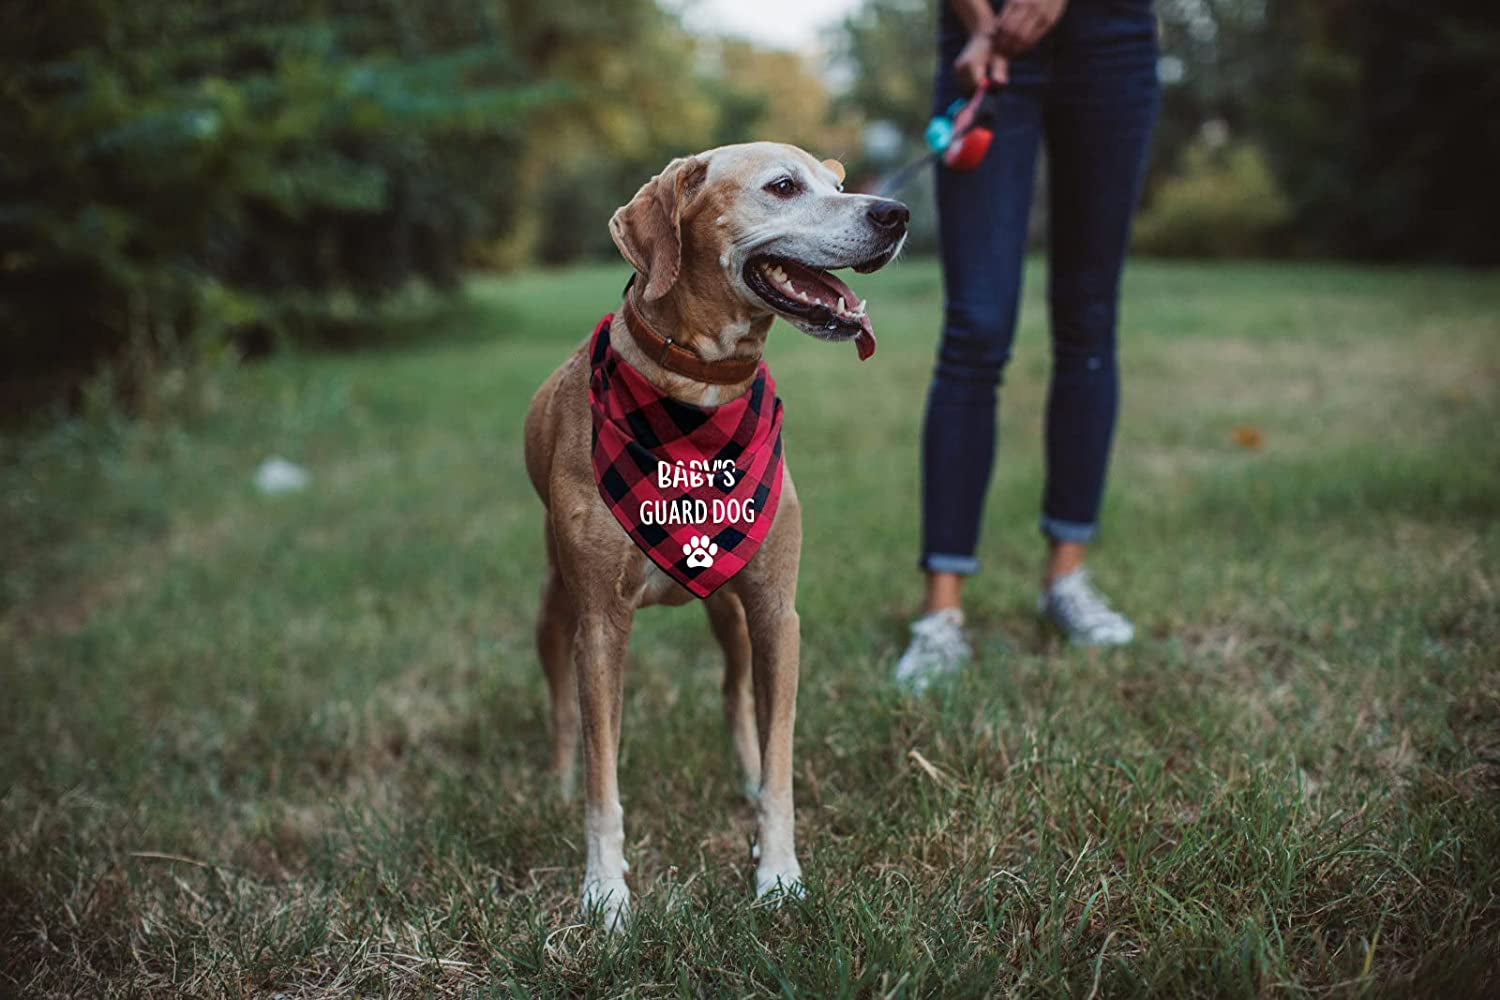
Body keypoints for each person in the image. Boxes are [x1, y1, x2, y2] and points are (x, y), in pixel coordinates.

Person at [895, 0, 1160, 691]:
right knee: (976, 326)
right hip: (980, 36)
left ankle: (1065, 576)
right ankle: (941, 611)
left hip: (1114, 33)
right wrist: (981, 21)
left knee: (1088, 318)